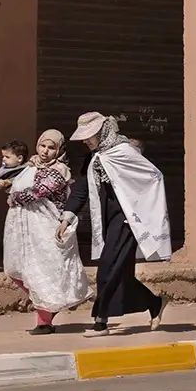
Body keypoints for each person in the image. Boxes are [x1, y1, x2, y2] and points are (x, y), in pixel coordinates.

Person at [57, 112, 170, 337]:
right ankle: (154, 303)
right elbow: (81, 190)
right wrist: (67, 217)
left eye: (91, 136)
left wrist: (139, 210)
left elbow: (153, 177)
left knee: (107, 268)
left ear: (103, 132)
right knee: (121, 274)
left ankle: (101, 322)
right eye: (84, 137)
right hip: (107, 220)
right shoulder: (94, 158)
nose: (86, 141)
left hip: (127, 220)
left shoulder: (125, 152)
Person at [3, 130, 93, 335]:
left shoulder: (59, 171)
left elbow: (37, 193)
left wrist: (13, 196)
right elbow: (8, 183)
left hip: (45, 228)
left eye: (51, 147)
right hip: (23, 229)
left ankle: (44, 319)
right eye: (43, 146)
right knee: (15, 269)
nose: (45, 151)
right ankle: (48, 307)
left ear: (59, 150)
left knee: (41, 271)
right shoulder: (30, 165)